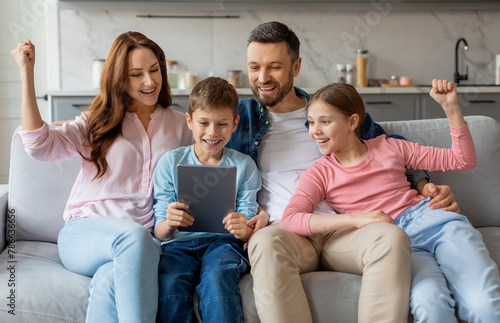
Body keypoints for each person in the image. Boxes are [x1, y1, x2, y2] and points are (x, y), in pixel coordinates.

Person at [226, 21, 461, 323]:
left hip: (345, 232)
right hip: (286, 231)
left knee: (390, 237)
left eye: (274, 67)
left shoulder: (329, 108)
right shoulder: (240, 118)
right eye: (254, 67)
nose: (262, 78)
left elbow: (391, 149)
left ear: (296, 66)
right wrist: (249, 209)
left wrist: (425, 185)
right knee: (264, 243)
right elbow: (212, 158)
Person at [10, 32, 193, 323]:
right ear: (120, 78)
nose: (150, 81)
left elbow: (212, 161)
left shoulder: (180, 125)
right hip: (84, 235)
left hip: (143, 244)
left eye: (155, 70)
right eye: (136, 74)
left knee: (111, 280)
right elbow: (38, 145)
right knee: (134, 237)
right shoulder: (96, 121)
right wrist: (26, 72)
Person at [281, 80, 500, 322]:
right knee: (431, 306)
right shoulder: (319, 173)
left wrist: (451, 108)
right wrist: (355, 219)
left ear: (352, 122)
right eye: (311, 122)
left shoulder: (390, 147)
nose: (315, 131)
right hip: (397, 243)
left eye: (325, 121)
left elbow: (462, 160)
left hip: (436, 222)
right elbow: (291, 218)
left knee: (484, 305)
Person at [153, 77, 262, 323]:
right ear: (190, 121)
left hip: (222, 244)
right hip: (177, 246)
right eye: (204, 123)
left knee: (218, 278)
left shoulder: (244, 165)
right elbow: (160, 232)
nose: (212, 132)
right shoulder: (170, 163)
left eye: (222, 124)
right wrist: (169, 222)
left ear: (235, 123)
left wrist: (242, 228)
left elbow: (247, 222)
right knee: (170, 286)